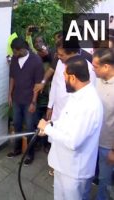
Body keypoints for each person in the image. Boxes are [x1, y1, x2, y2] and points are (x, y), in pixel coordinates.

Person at [37, 56, 103, 200]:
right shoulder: (77, 94)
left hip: (74, 171)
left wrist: (48, 130)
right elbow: (67, 120)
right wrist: (51, 125)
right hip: (63, 165)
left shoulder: (89, 104)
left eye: (65, 76)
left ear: (73, 78)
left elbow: (73, 142)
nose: (64, 80)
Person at [7, 37, 44, 165]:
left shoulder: (36, 61)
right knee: (16, 125)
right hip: (17, 99)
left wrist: (34, 102)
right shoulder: (14, 60)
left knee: (29, 128)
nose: (14, 54)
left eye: (15, 52)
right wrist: (9, 94)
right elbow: (12, 77)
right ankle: (17, 150)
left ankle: (30, 155)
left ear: (22, 50)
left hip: (29, 101)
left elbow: (38, 84)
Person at [46, 41, 96, 121]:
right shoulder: (60, 62)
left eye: (61, 55)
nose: (58, 57)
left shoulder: (87, 68)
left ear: (72, 53)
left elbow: (88, 96)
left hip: (74, 116)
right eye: (58, 54)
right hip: (57, 112)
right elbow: (55, 83)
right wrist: (50, 106)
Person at [92, 48, 114, 200]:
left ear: (106, 67)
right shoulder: (97, 80)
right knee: (92, 174)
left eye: (95, 66)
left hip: (108, 145)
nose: (92, 69)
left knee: (105, 181)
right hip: (92, 139)